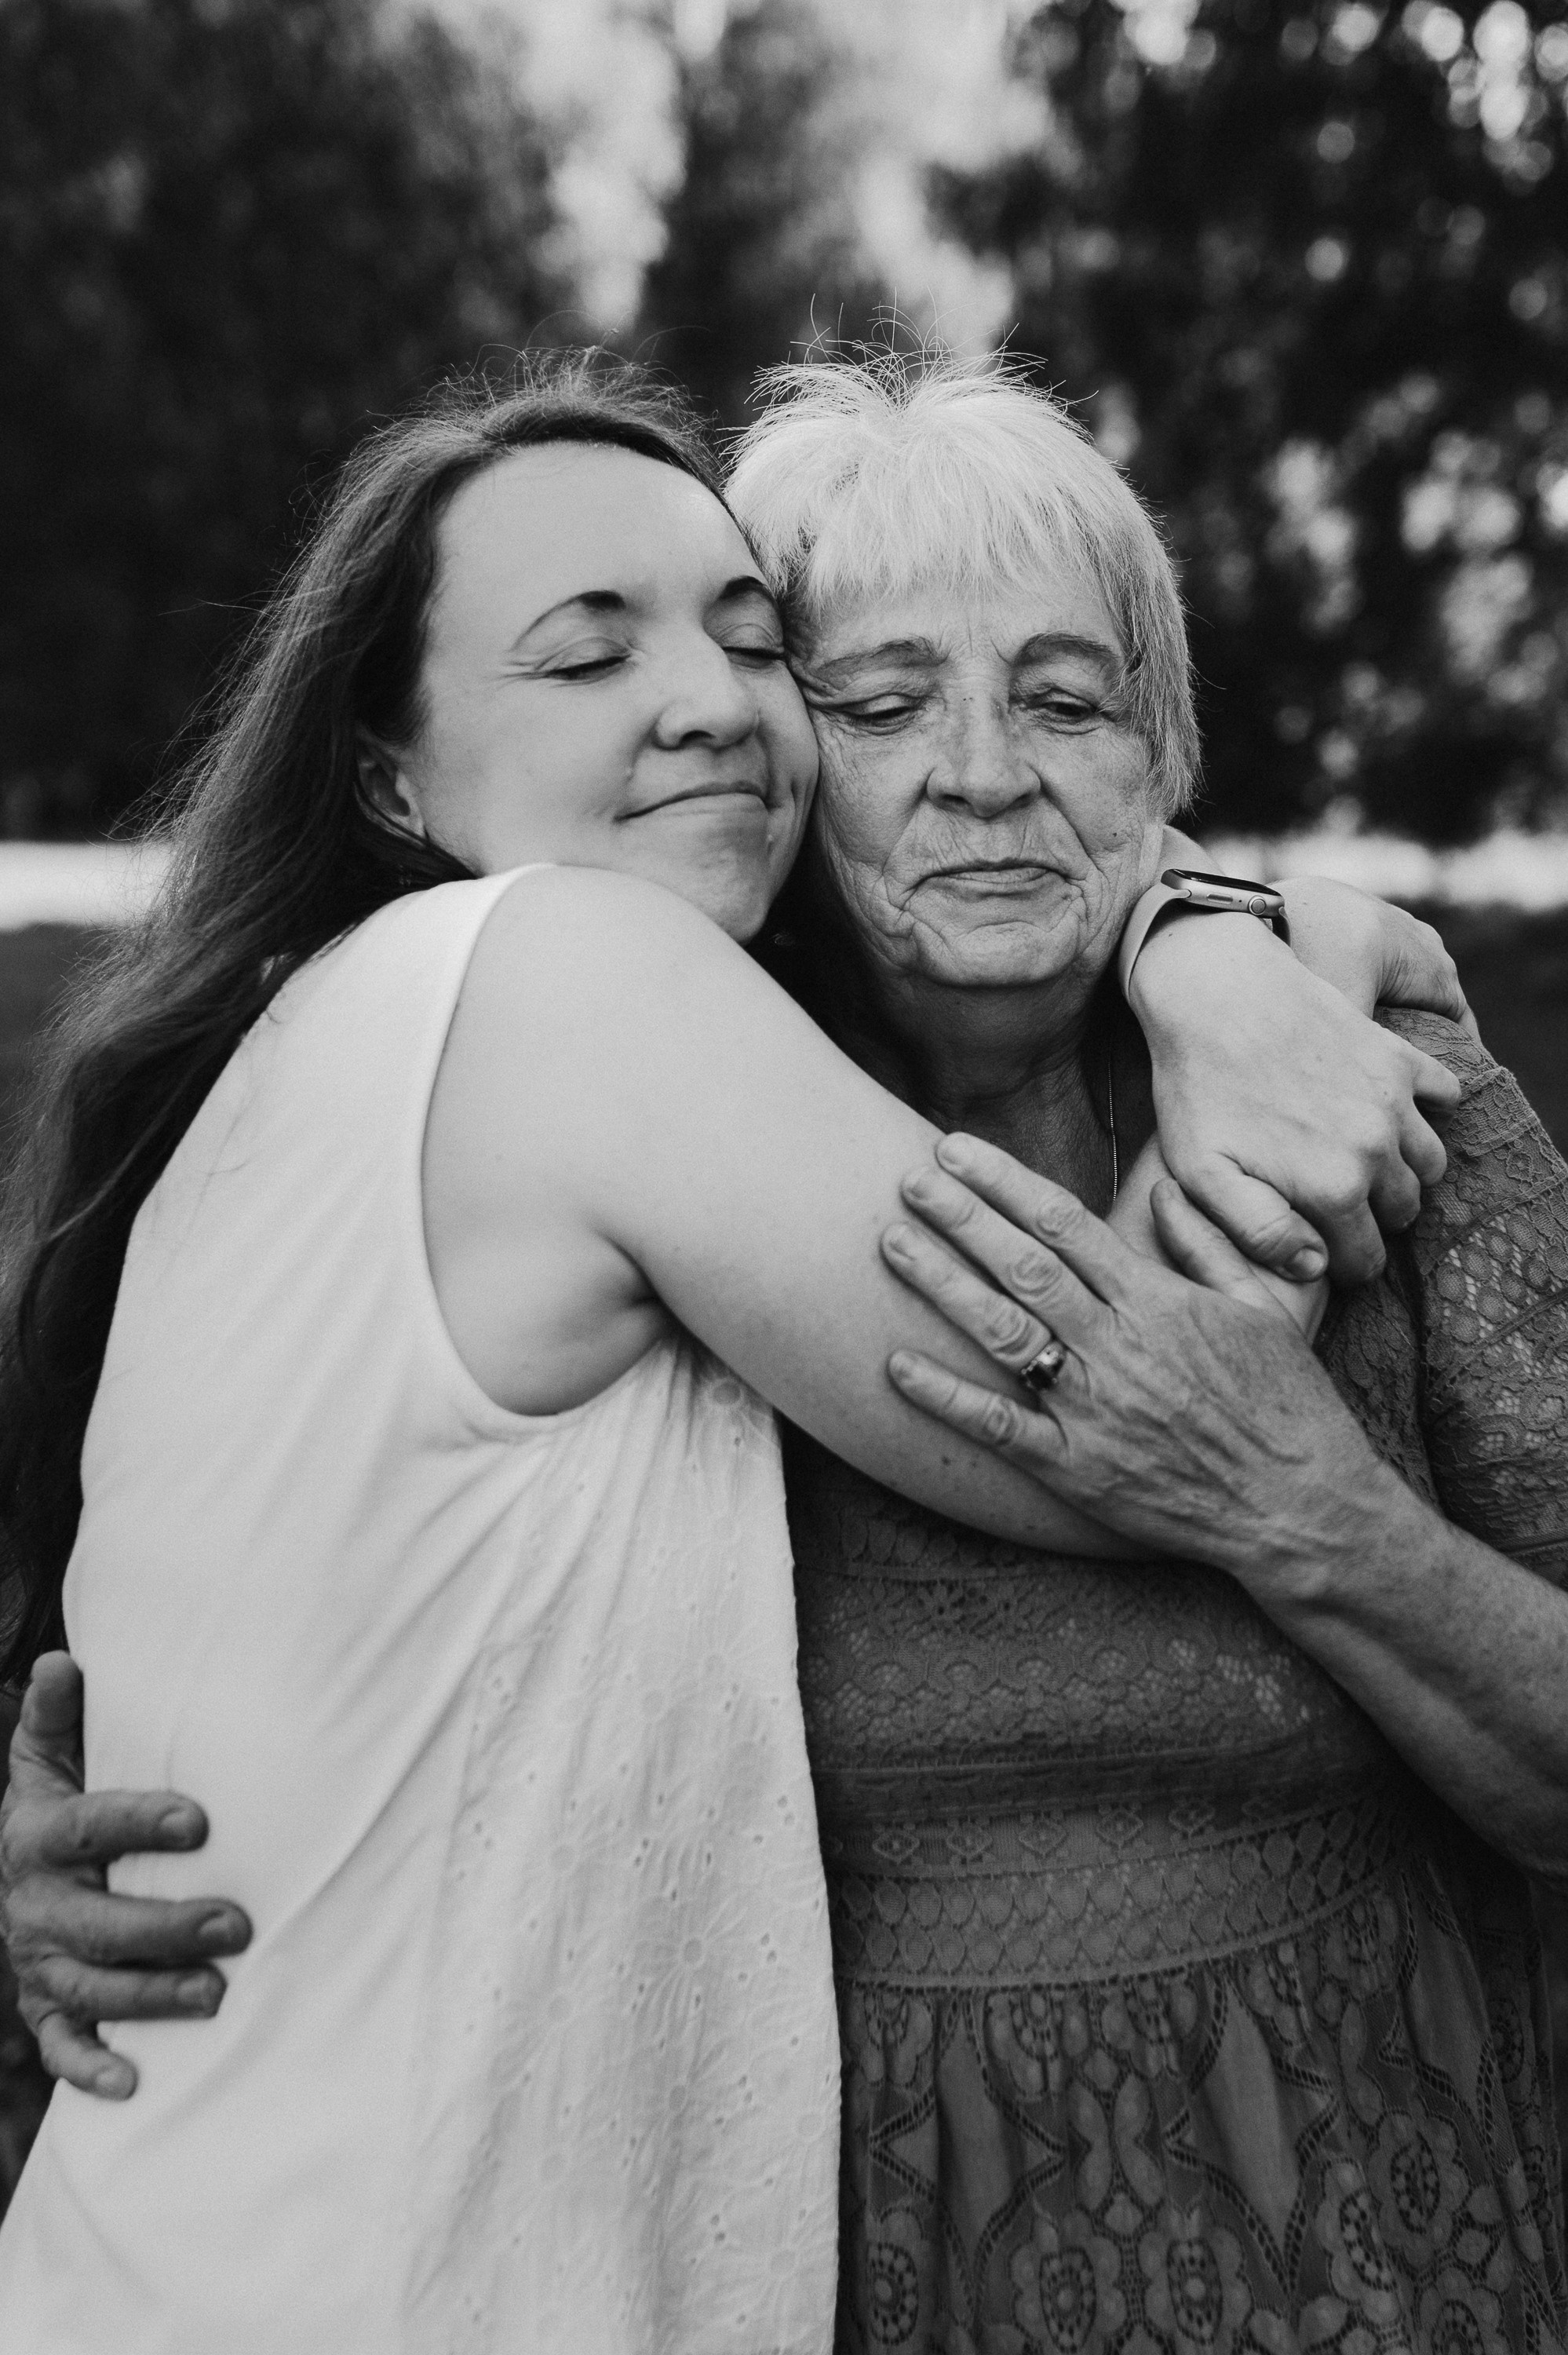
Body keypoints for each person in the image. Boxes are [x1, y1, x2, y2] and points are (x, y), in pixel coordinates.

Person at [0, 355, 1481, 2352]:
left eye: (753, 637)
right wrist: (1250, 973)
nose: (707, 698)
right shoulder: (563, 974)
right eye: (583, 657)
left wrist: (1185, 920)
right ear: (388, 775)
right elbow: (1129, 1399)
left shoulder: (304, 1047)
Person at [720, 355, 1568, 2353]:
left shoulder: (1374, 1098)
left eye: (1068, 697)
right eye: (884, 701)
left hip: (1383, 2261)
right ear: (773, 758)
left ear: (1161, 756)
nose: (989, 769)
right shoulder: (673, 1168)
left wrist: (1309, 1509)